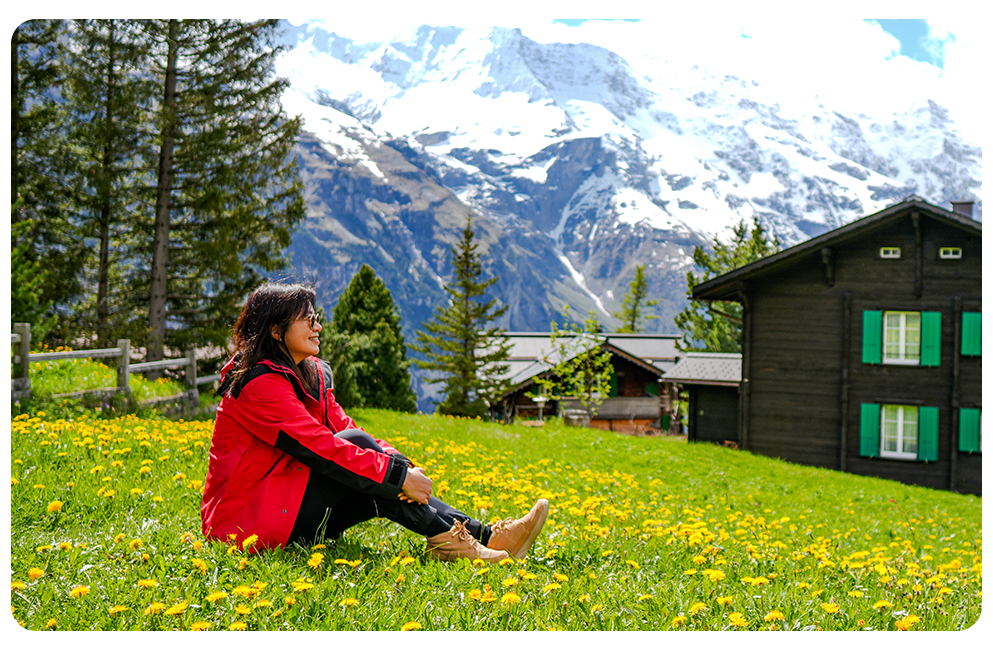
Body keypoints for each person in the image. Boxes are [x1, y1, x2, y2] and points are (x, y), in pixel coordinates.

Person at [201, 281, 548, 563]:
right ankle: (458, 541)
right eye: (307, 320)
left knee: (374, 475)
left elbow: (343, 425)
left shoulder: (309, 375)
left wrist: (399, 464)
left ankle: (483, 536)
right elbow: (320, 446)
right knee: (371, 466)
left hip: (287, 501)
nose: (318, 327)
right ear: (276, 331)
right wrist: (397, 477)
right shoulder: (258, 385)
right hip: (245, 524)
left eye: (316, 318)